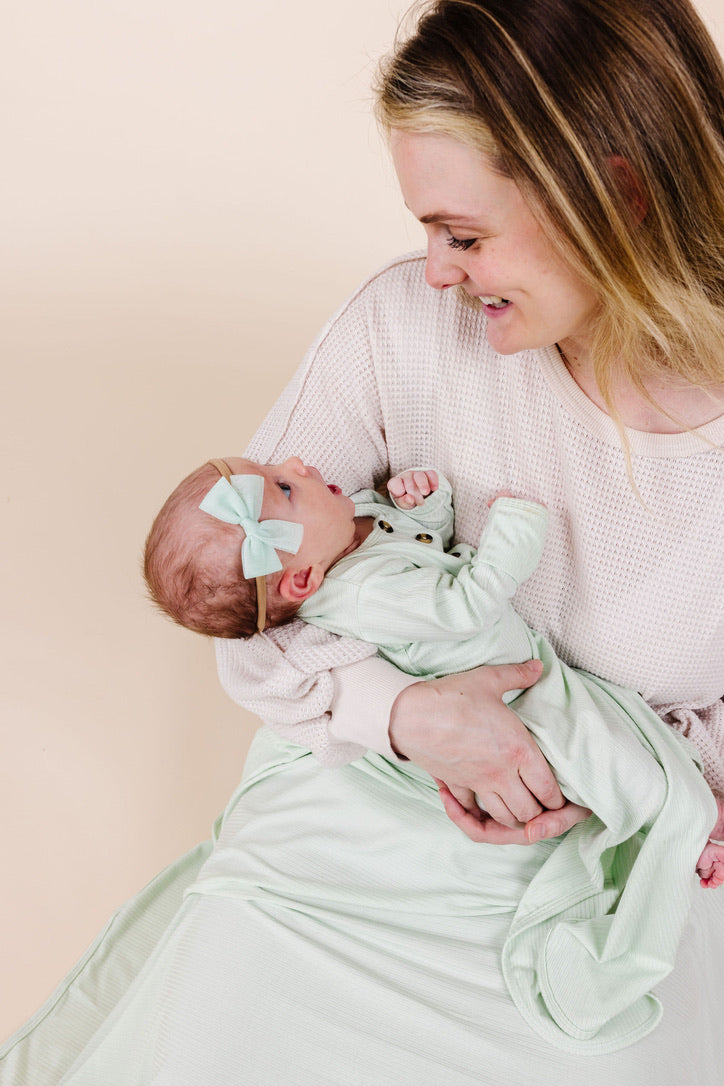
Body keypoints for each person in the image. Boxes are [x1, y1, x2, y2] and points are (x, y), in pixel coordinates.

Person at [2, 0, 724, 1082]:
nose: (435, 270)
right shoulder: (402, 331)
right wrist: (404, 715)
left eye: (465, 235)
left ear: (614, 191)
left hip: (607, 890)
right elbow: (240, 596)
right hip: (343, 857)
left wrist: (667, 780)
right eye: (426, 229)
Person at [144, 453, 723, 899]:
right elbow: (462, 605)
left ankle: (681, 808)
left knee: (626, 732)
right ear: (300, 583)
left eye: (278, 471)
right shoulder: (364, 597)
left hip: (528, 675)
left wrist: (422, 504)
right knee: (609, 757)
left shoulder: (351, 534)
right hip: (511, 708)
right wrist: (514, 529)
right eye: (285, 487)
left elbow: (423, 546)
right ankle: (695, 831)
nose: (295, 462)